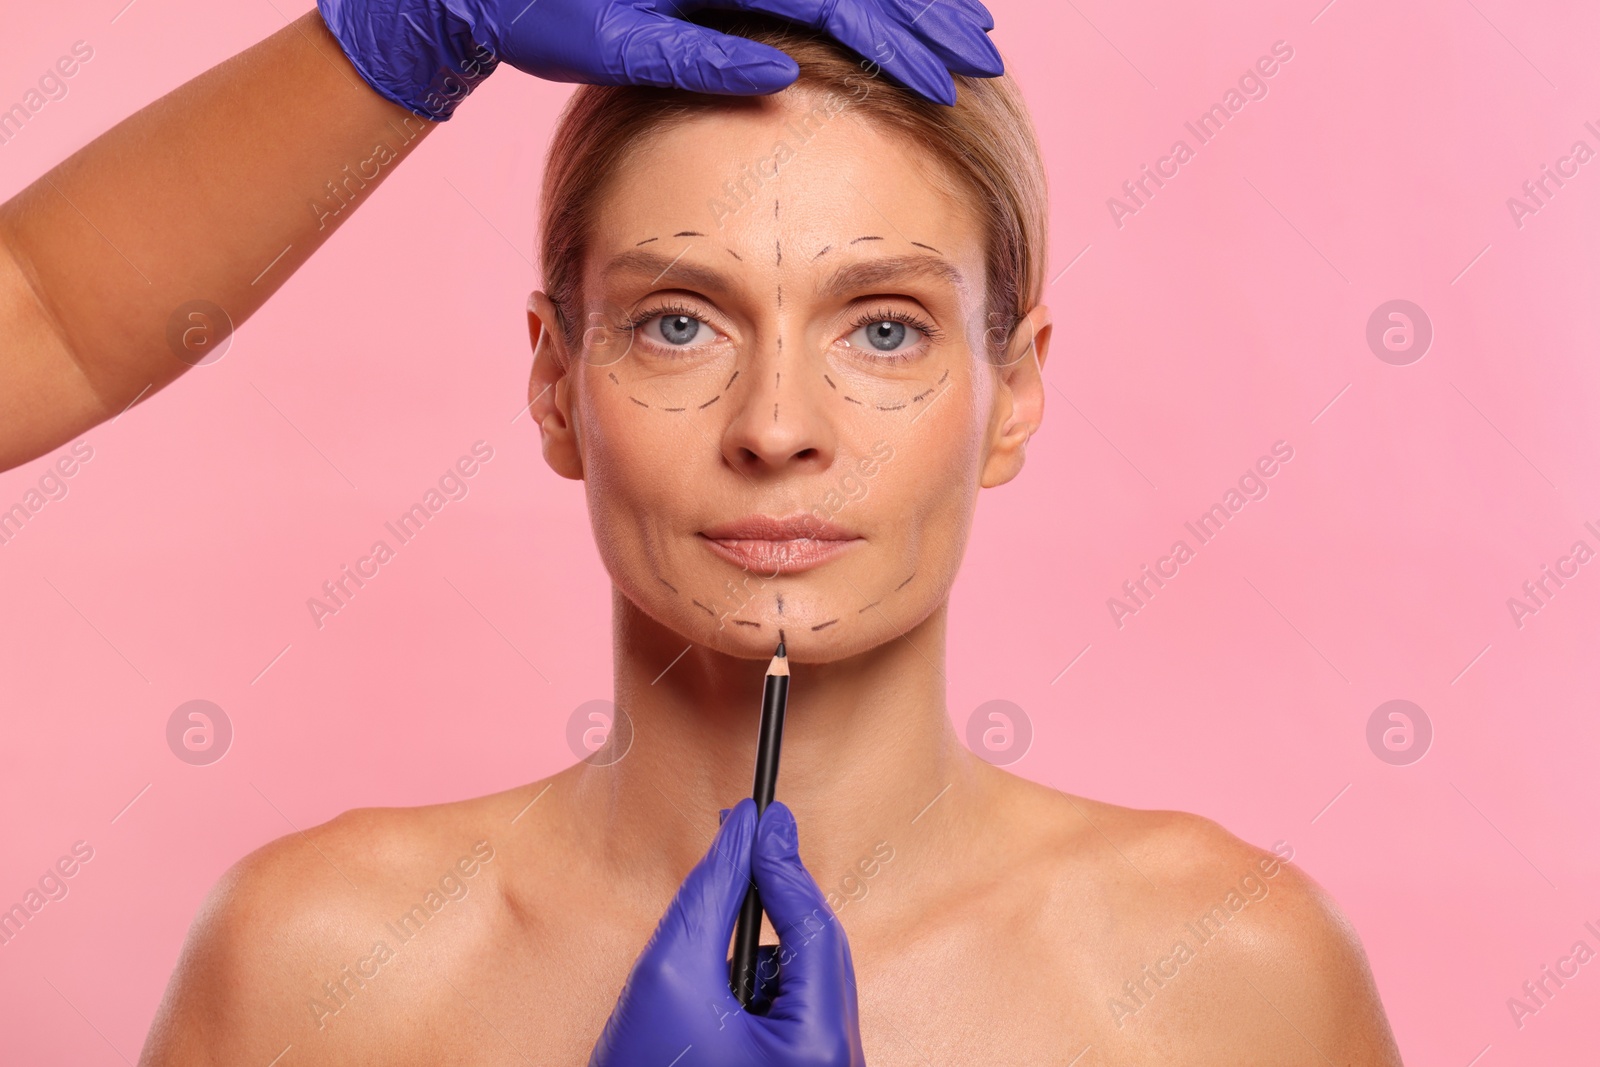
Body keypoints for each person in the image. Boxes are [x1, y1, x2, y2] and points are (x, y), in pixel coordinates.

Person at [0, 3, 1404, 1063]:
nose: (777, 424)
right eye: (679, 321)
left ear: (1015, 390)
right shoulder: (314, 967)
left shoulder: (1231, 981)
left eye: (885, 325)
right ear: (555, 381)